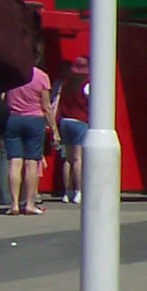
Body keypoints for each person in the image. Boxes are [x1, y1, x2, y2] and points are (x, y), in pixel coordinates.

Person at [0, 46, 54, 216]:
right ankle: (30, 204)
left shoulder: (12, 74)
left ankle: (14, 204)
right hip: (34, 120)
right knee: (32, 162)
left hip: (12, 119)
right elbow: (46, 106)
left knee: (14, 161)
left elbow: (3, 97)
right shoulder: (42, 77)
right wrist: (54, 129)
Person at [51, 55, 89, 204]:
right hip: (80, 121)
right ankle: (78, 191)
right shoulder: (87, 84)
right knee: (78, 159)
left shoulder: (65, 83)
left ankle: (67, 192)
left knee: (67, 159)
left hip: (65, 122)